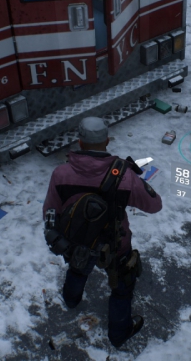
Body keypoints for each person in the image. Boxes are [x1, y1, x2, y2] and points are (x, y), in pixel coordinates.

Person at [43, 117, 162, 348]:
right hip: (116, 245)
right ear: (107, 141)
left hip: (78, 242)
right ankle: (119, 333)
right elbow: (155, 205)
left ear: (80, 142)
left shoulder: (61, 174)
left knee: (77, 270)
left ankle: (71, 299)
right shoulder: (125, 176)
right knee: (122, 287)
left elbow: (50, 211)